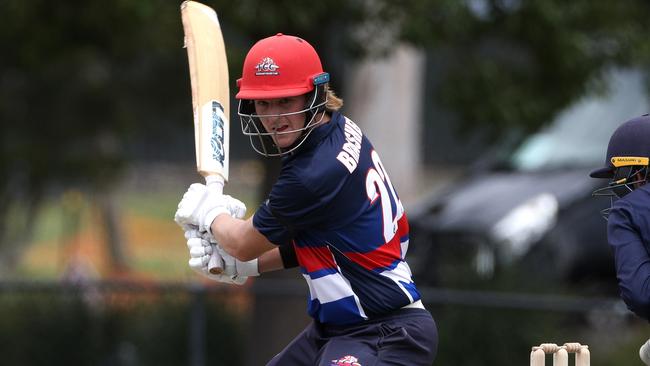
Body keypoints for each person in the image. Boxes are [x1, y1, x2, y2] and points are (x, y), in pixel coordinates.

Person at [174, 33, 438, 365]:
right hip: (340, 330)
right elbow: (321, 242)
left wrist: (210, 214)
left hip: (385, 334)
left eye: (286, 101)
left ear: (314, 94)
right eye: (263, 103)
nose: (273, 117)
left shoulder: (312, 174)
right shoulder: (339, 130)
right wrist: (246, 266)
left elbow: (242, 242)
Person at [590, 114, 650, 365]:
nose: (617, 189)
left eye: (618, 178)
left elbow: (643, 296)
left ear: (637, 173)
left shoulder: (626, 211)